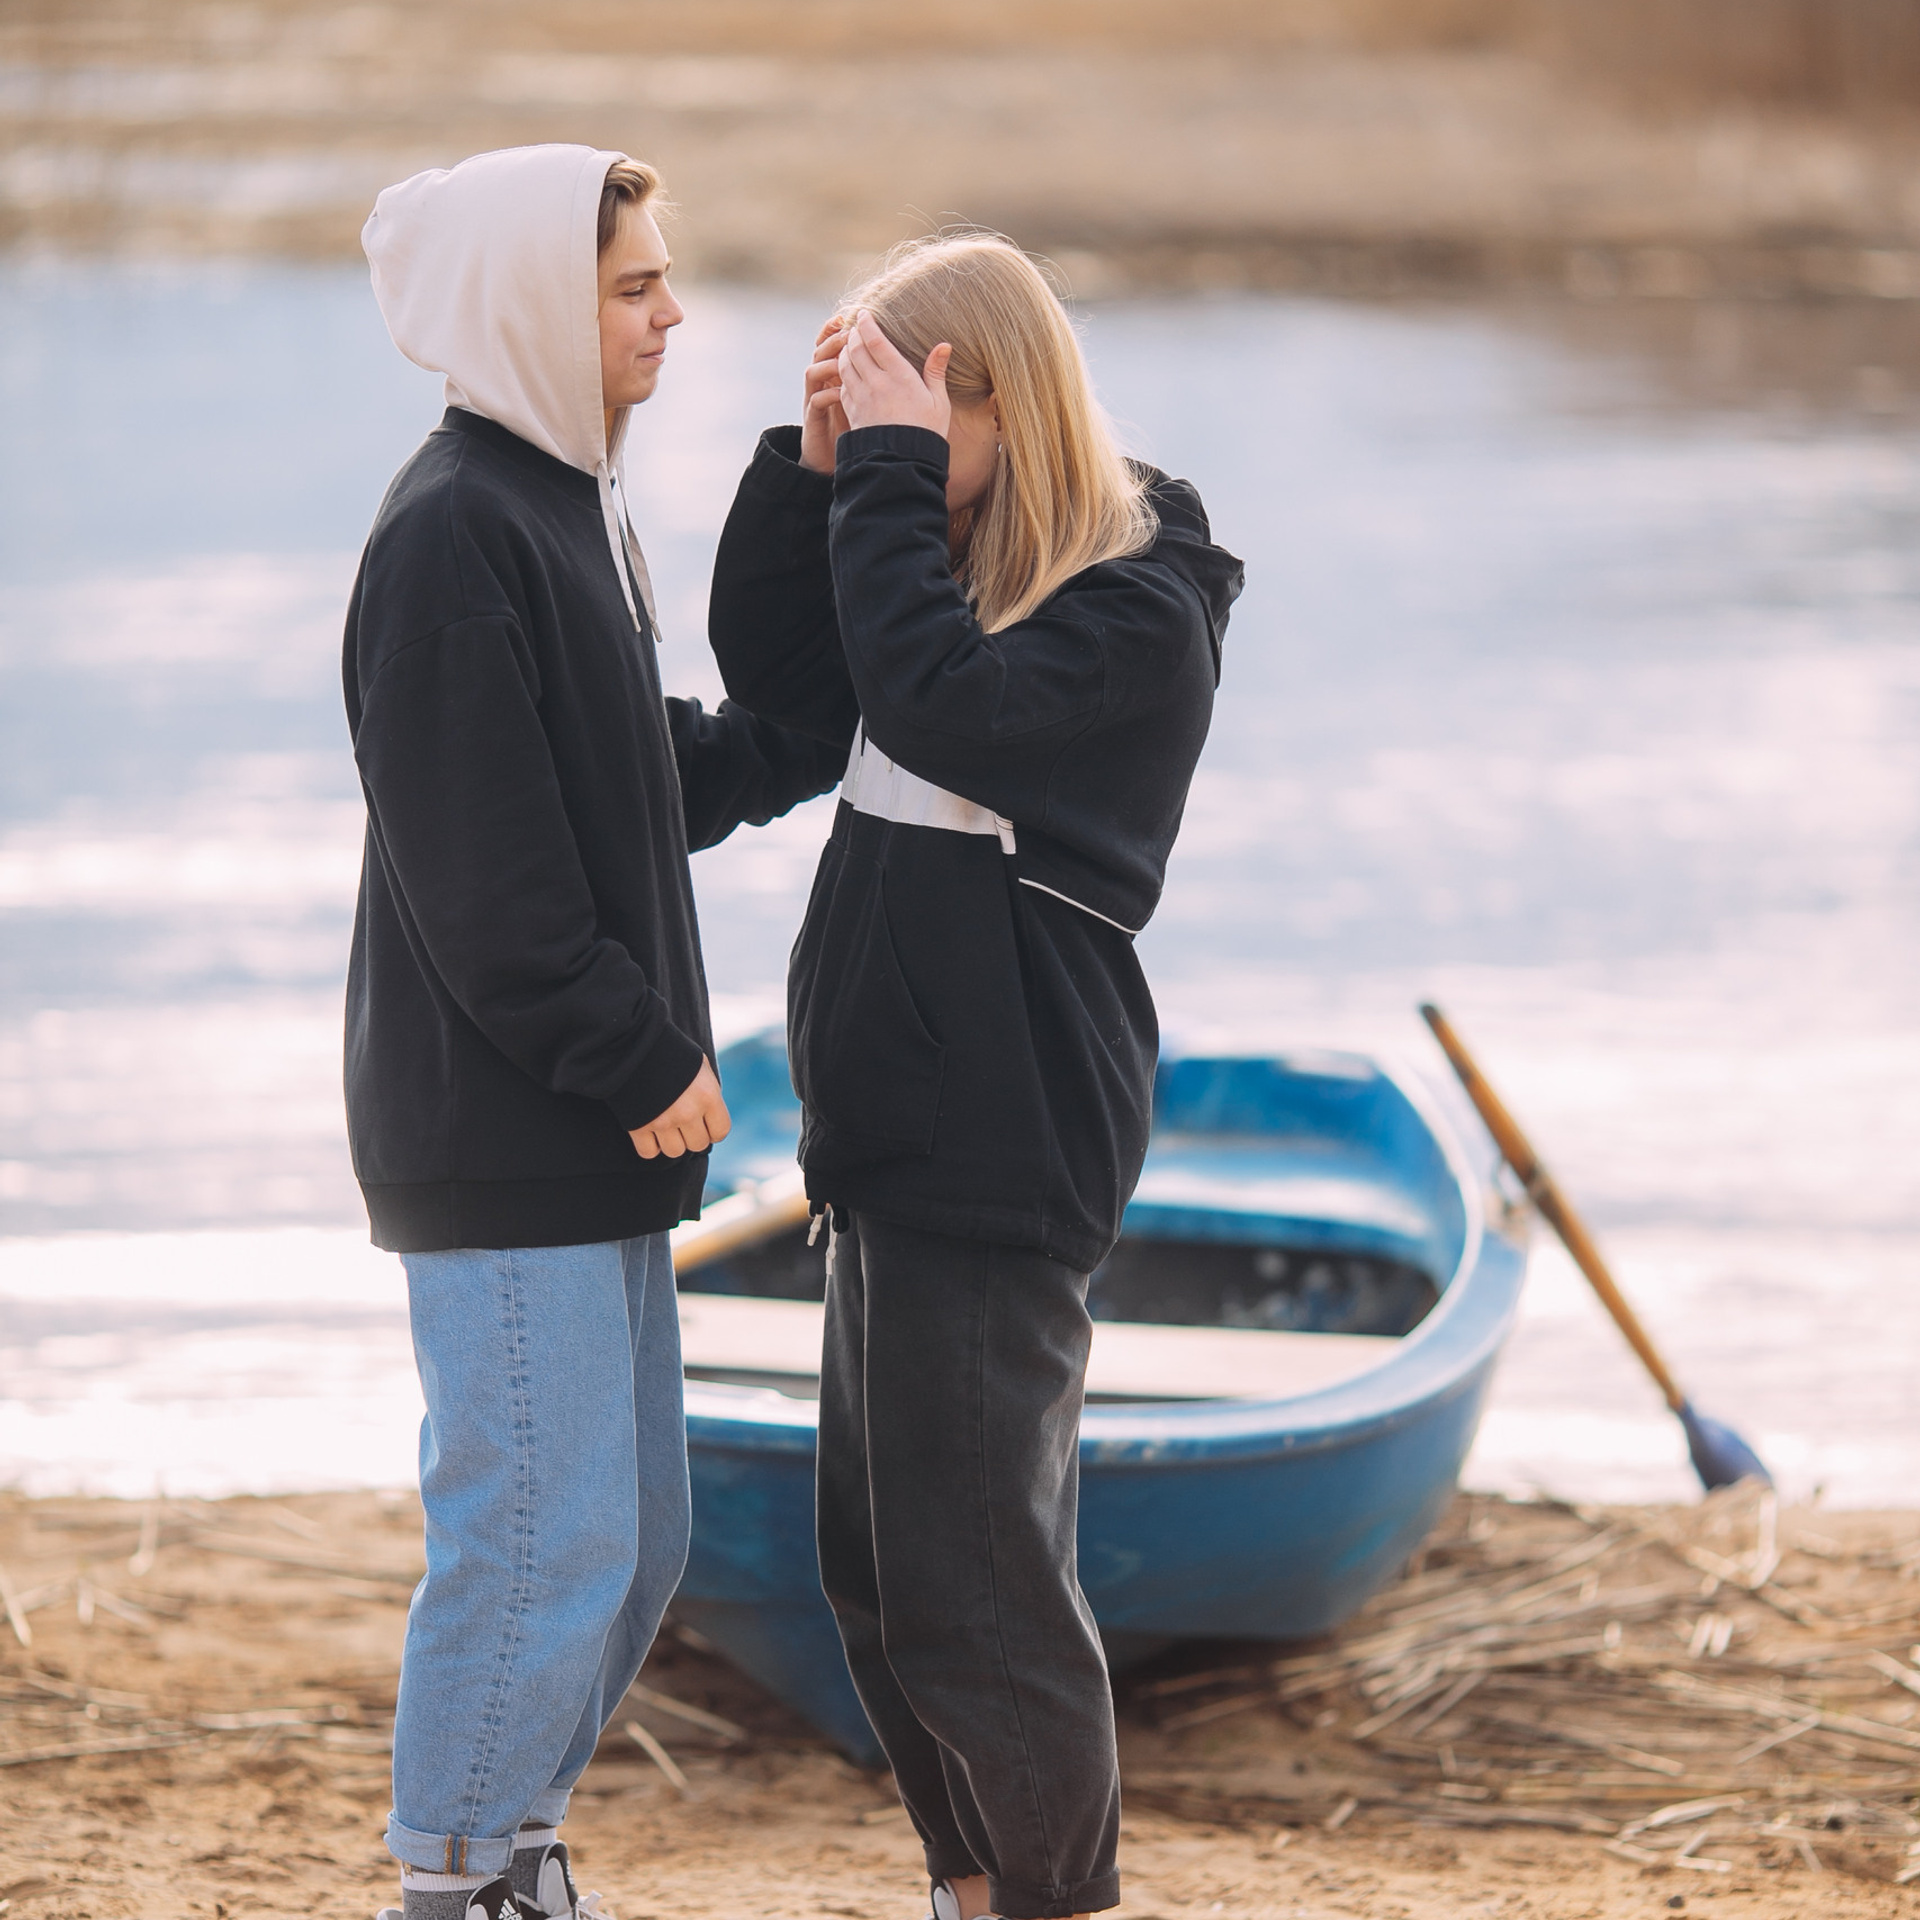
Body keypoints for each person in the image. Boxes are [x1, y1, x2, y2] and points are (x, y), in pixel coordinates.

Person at [707, 234, 1244, 1920]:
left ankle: (1055, 1901)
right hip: (889, 1134)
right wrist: (817, 473)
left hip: (1004, 1137)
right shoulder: (943, 567)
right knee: (877, 1583)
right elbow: (787, 683)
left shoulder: (1136, 608)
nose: (885, 443)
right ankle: (972, 1888)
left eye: (905, 406)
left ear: (989, 396)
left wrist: (885, 476)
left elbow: (941, 711)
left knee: (983, 1592)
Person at [344, 145, 845, 1920]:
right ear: (530, 309)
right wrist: (638, 1054)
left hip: (578, 1126)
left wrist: (814, 506)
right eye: (635, 287)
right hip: (506, 1126)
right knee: (539, 1539)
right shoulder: (451, 532)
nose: (671, 315)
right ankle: (457, 1882)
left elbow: (638, 777)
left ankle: (519, 1850)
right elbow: (483, 874)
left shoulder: (564, 502)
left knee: (631, 1547)